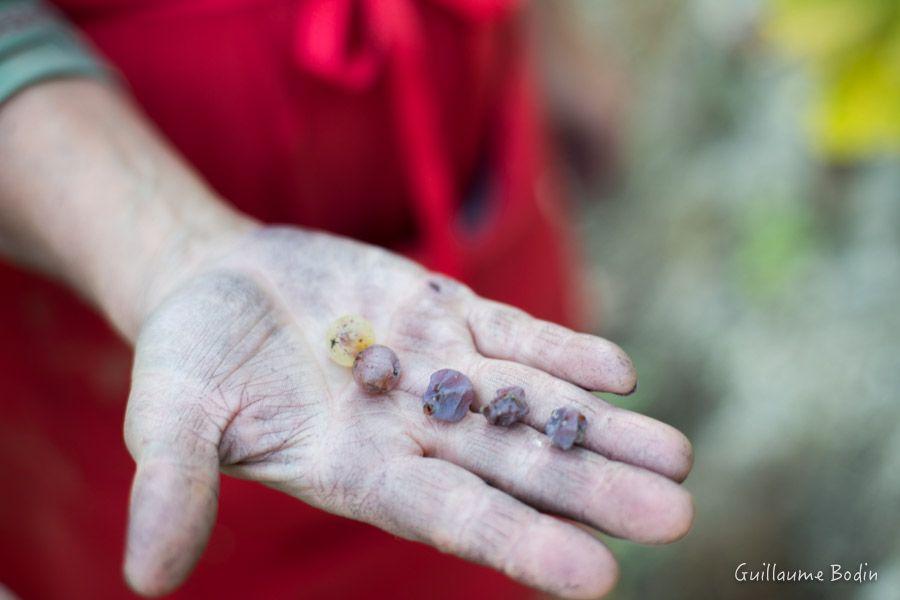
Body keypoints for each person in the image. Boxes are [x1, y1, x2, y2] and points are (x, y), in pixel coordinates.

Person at [0, 1, 694, 598]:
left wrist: (547, 31)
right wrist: (169, 249)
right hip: (89, 230)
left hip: (457, 170)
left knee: (513, 538)